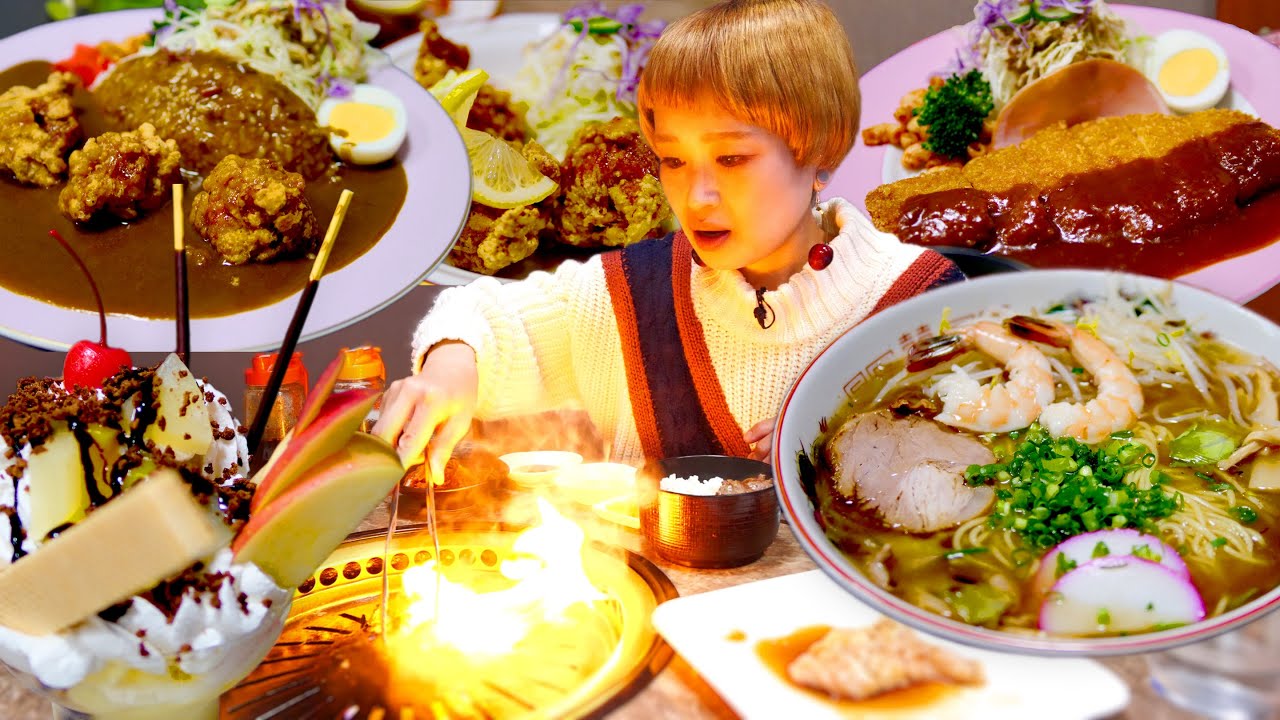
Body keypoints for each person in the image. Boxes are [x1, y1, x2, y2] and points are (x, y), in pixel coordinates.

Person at [374, 0, 964, 482]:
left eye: (731, 158)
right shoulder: (632, 295)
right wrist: (446, 374)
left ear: (821, 149)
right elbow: (486, 319)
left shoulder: (921, 301)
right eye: (673, 160)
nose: (697, 195)